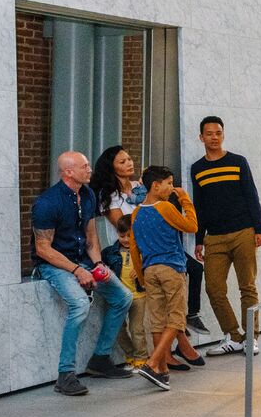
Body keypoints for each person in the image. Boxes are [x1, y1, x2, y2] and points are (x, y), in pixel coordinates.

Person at [32, 151, 134, 396]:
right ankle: (65, 374)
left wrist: (98, 264)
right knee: (79, 304)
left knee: (123, 297)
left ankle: (100, 358)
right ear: (68, 172)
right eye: (84, 166)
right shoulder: (47, 202)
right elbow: (42, 248)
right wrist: (77, 270)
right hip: (55, 265)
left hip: (82, 261)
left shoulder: (87, 194)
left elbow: (90, 236)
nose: (90, 170)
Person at [190, 116, 261, 355]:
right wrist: (199, 239)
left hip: (243, 231)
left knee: (248, 286)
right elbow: (199, 205)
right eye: (209, 133)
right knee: (214, 289)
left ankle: (251, 338)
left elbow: (251, 195)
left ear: (223, 135)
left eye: (218, 133)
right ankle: (234, 336)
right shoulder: (197, 168)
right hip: (214, 237)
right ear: (201, 137)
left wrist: (260, 229)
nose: (214, 137)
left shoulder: (238, 162)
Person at [130, 166, 204, 390]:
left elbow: (134, 249)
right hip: (171, 268)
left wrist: (142, 277)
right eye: (169, 183)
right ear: (155, 185)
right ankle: (153, 363)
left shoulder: (136, 213)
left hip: (149, 270)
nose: (172, 188)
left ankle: (161, 371)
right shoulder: (165, 207)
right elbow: (191, 226)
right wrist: (186, 201)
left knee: (157, 320)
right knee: (176, 318)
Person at [101, 214, 147, 371]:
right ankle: (130, 355)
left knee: (137, 329)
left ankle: (141, 359)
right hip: (119, 298)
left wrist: (141, 270)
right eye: (122, 236)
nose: (126, 239)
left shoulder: (144, 252)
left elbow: (152, 268)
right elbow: (101, 266)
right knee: (118, 328)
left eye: (130, 236)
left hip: (138, 296)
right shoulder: (110, 252)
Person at [92, 145, 145, 244]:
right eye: (122, 162)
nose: (129, 164)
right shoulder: (109, 195)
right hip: (125, 248)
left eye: (129, 159)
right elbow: (124, 227)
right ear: (111, 168)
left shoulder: (139, 186)